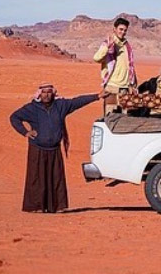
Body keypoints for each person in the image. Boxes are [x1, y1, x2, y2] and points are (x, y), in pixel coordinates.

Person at [9, 83, 104, 213]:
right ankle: (36, 206)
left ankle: (55, 206)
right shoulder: (31, 108)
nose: (46, 95)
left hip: (54, 150)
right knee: (37, 178)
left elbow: (77, 101)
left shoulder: (60, 106)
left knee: (55, 178)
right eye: (44, 92)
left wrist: (97, 96)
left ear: (53, 93)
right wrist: (25, 132)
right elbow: (14, 117)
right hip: (37, 149)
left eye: (49, 92)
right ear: (39, 94)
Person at [93, 17, 137, 114]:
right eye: (121, 29)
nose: (123, 32)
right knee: (110, 117)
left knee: (125, 118)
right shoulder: (108, 43)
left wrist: (133, 85)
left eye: (125, 30)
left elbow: (130, 66)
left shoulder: (127, 45)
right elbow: (96, 58)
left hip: (125, 89)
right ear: (114, 29)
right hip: (112, 87)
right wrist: (107, 48)